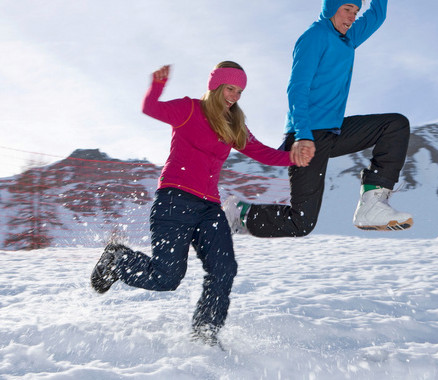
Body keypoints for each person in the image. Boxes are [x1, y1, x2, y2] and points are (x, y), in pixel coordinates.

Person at [90, 61, 309, 345]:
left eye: (240, 91)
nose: (235, 95)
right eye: (230, 88)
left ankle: (205, 333)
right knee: (167, 277)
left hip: (209, 208)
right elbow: (151, 108)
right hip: (174, 201)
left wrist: (294, 156)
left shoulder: (234, 124)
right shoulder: (189, 109)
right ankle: (119, 261)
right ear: (216, 86)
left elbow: (262, 153)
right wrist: (157, 85)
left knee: (224, 268)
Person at [223, 0, 412, 237]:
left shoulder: (348, 39)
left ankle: (372, 205)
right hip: (307, 135)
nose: (352, 17)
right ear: (331, 9)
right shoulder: (314, 36)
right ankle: (239, 214)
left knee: (394, 125)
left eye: (355, 12)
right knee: (301, 223)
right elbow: (297, 88)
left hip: (333, 131)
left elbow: (377, 15)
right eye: (347, 10)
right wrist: (302, 134)